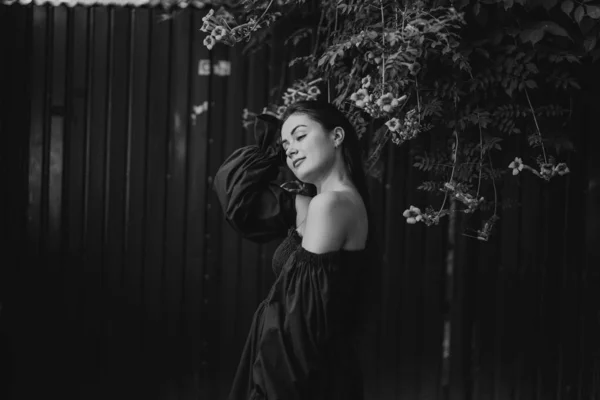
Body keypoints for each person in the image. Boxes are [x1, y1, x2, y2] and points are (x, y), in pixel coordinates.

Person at [214, 100, 376, 400]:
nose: (289, 149)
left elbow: (298, 326)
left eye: (300, 136)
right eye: (285, 144)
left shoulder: (331, 205)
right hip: (302, 371)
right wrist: (270, 155)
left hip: (298, 379)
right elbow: (240, 203)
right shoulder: (318, 203)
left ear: (337, 136)